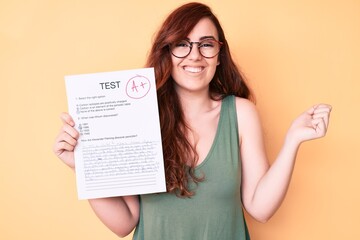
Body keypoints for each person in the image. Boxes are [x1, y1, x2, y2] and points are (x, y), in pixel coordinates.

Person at [53, 2, 332, 239]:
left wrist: (293, 140)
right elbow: (124, 223)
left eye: (206, 44)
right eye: (182, 44)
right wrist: (84, 167)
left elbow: (261, 208)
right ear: (167, 52)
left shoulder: (242, 113)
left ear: (219, 55)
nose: (195, 55)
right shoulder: (137, 114)